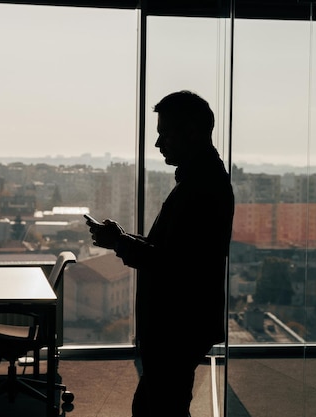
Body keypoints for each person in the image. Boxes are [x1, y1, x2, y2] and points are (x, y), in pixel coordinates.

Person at [86, 90, 235, 417]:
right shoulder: (201, 181)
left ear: (192, 133)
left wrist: (119, 243)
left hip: (177, 326)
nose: (157, 144)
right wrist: (122, 238)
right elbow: (173, 251)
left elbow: (174, 265)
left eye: (164, 134)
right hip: (181, 324)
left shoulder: (201, 188)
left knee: (160, 407)